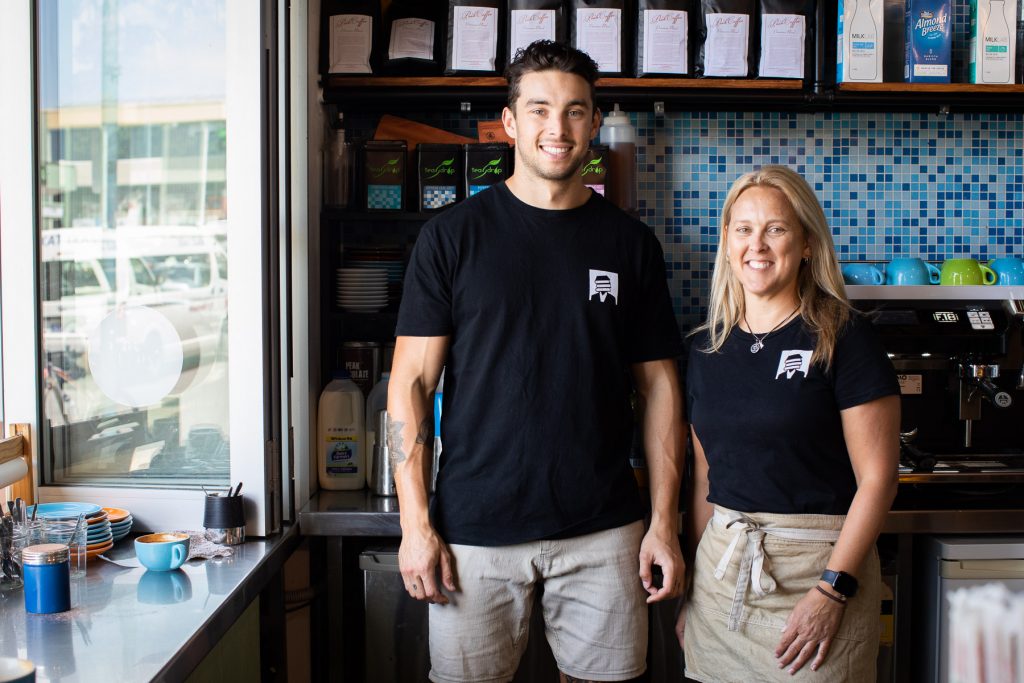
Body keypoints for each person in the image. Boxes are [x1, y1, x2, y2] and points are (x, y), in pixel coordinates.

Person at [387, 40, 686, 683]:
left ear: (595, 123)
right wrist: (416, 525)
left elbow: (660, 387)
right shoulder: (452, 238)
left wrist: (664, 521)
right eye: (541, 109)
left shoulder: (630, 245)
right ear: (511, 120)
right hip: (474, 532)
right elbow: (410, 383)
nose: (558, 128)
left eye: (576, 111)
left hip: (605, 533)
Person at [676, 165, 900, 681]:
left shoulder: (844, 337)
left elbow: (879, 480)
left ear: (805, 244)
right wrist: (693, 591)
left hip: (815, 575)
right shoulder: (706, 347)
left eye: (776, 228)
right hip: (722, 578)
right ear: (728, 241)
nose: (758, 244)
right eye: (743, 228)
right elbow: (706, 481)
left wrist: (831, 591)